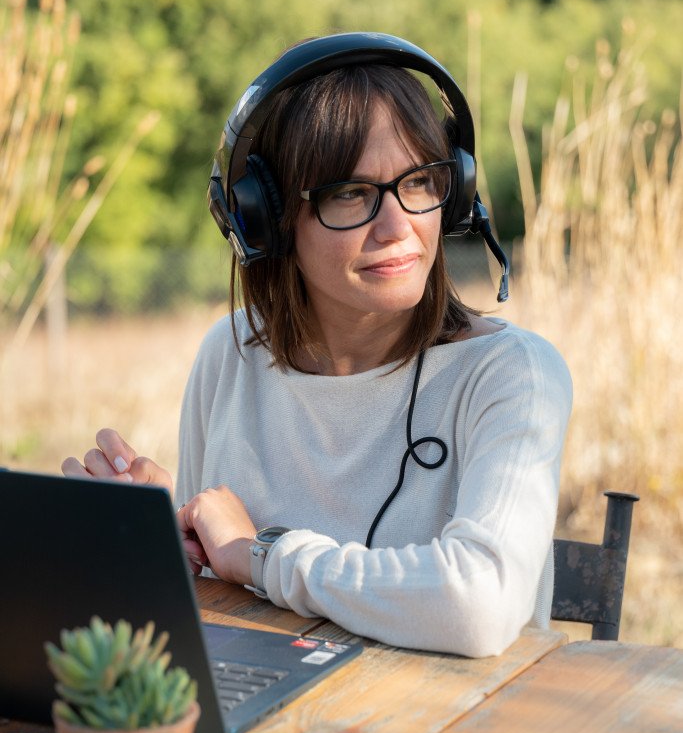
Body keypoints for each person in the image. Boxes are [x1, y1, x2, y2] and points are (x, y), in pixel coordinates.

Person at [62, 32, 572, 657]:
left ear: (457, 191)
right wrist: (147, 546)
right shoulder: (230, 356)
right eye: (349, 194)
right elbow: (213, 608)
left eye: (419, 182)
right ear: (263, 218)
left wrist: (262, 554)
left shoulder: (513, 375)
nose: (398, 227)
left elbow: (479, 604)